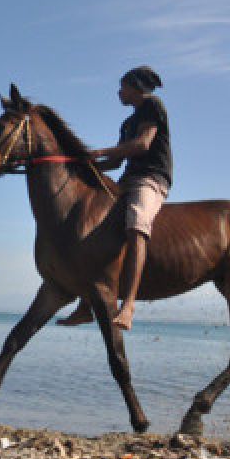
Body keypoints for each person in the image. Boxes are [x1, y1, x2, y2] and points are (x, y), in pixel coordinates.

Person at [57, 66, 172, 330]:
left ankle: (128, 306)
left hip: (151, 178)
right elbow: (116, 161)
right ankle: (86, 307)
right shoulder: (127, 123)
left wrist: (97, 152)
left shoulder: (153, 106)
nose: (119, 92)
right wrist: (80, 163)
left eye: (123, 86)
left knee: (136, 223)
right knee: (95, 227)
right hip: (128, 179)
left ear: (136, 87)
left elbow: (142, 145)